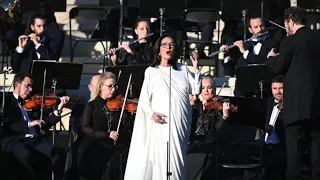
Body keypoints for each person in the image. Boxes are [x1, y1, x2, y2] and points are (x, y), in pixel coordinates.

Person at [124, 34, 201, 180]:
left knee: (178, 159)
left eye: (171, 45)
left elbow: (196, 90)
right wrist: (152, 114)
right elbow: (145, 100)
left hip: (180, 121)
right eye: (165, 44)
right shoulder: (152, 72)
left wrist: (196, 70)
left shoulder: (183, 69)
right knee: (163, 161)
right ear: (158, 50)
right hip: (161, 122)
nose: (168, 47)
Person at [266, 7, 320, 180]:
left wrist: (271, 57)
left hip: (296, 106)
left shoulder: (290, 41)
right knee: (317, 150)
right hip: (317, 105)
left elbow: (278, 67)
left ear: (290, 21)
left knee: (294, 153)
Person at [0, 73, 69, 180]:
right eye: (27, 86)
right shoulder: (6, 102)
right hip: (16, 140)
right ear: (17, 85)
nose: (31, 89)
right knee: (28, 156)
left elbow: (44, 125)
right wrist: (28, 124)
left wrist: (58, 109)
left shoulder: (31, 103)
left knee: (58, 152)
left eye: (31, 86)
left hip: (34, 140)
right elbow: (8, 124)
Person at [78, 72, 134, 180]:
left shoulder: (118, 106)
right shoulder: (91, 106)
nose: (113, 89)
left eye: (115, 86)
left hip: (116, 150)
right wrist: (107, 134)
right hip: (97, 148)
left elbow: (125, 127)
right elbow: (85, 128)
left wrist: (128, 116)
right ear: (100, 87)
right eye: (110, 86)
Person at [187, 76, 231, 179]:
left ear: (215, 90)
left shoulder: (219, 107)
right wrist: (190, 109)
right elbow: (189, 128)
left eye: (209, 87)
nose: (206, 90)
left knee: (203, 156)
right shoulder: (195, 106)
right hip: (195, 144)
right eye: (203, 88)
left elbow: (219, 133)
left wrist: (224, 116)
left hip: (213, 145)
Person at [263, 75, 286, 180]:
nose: (278, 92)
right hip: (267, 146)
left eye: (281, 88)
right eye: (275, 89)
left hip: (283, 147)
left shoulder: (289, 105)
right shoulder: (269, 103)